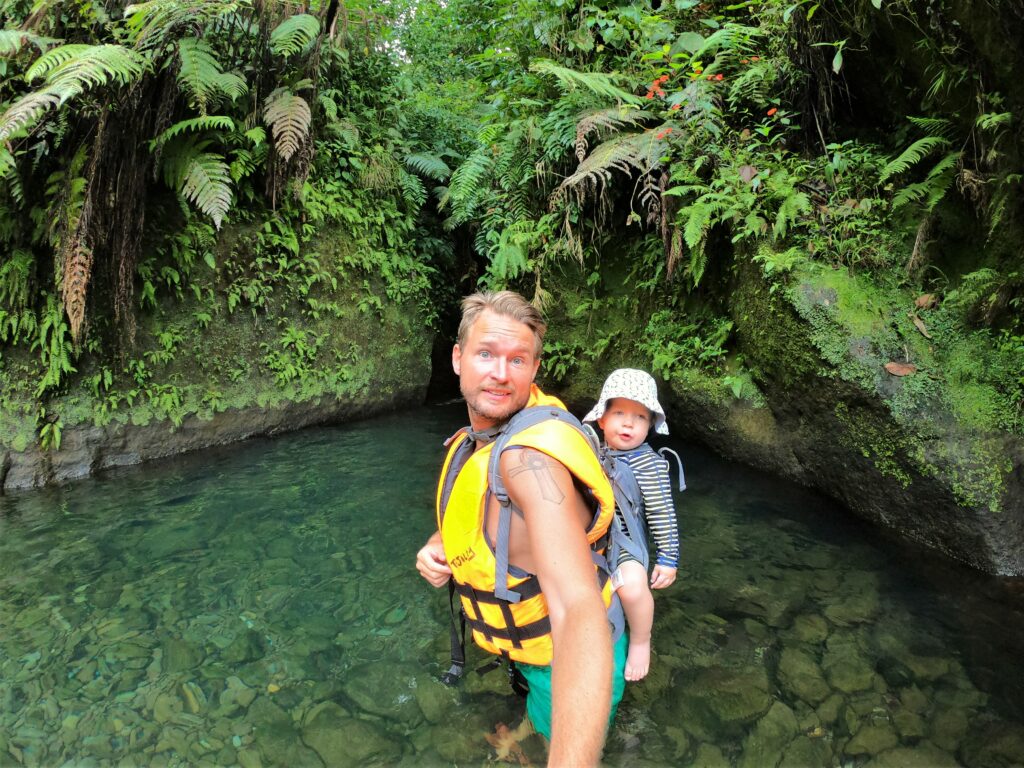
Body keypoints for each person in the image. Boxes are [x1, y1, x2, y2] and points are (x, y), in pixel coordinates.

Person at [415, 290, 627, 766]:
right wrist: (437, 546)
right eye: (486, 354)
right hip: (530, 649)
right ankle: (530, 725)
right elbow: (475, 522)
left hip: (568, 661)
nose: (500, 373)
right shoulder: (478, 441)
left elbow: (577, 611)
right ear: (458, 358)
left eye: (517, 359)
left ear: (533, 370)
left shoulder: (529, 462)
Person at [583, 368, 680, 682]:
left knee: (633, 588)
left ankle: (640, 639)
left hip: (626, 541)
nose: (628, 423)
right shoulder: (590, 452)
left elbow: (662, 513)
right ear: (602, 419)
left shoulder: (649, 463)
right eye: (620, 413)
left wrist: (668, 558)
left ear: (650, 424)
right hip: (592, 539)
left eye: (639, 417)